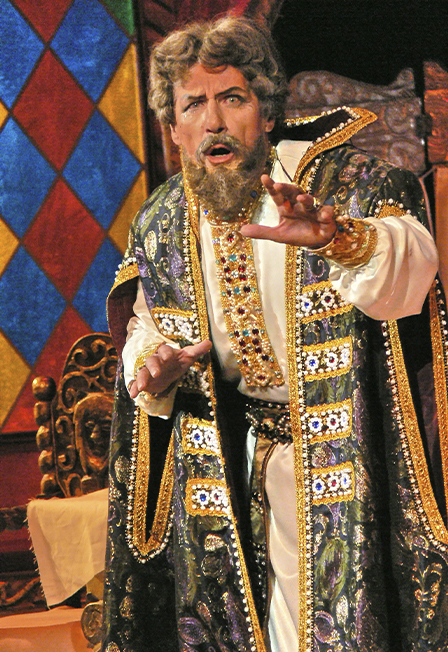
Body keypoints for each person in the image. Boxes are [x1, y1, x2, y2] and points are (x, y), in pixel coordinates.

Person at [102, 16, 448, 652]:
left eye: (232, 98)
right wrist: (150, 367)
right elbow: (145, 325)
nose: (213, 122)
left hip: (343, 470)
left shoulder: (348, 186)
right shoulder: (161, 220)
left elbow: (411, 264)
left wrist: (340, 240)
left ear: (265, 111)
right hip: (229, 472)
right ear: (172, 128)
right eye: (193, 105)